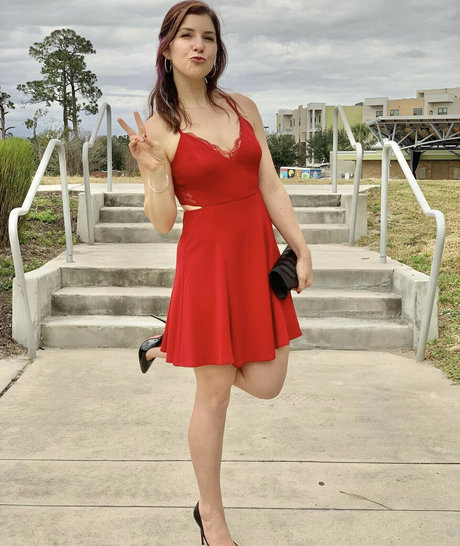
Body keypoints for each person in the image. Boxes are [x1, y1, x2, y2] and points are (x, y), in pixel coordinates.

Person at [118, 2, 313, 544]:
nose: (198, 45)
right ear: (167, 48)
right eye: (186, 36)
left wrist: (300, 247)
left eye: (207, 36)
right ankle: (212, 517)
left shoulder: (243, 107)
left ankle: (169, 342)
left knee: (269, 383)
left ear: (217, 49)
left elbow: (270, 183)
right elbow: (163, 221)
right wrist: (154, 173)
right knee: (215, 394)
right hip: (206, 264)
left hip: (256, 257)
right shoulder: (159, 127)